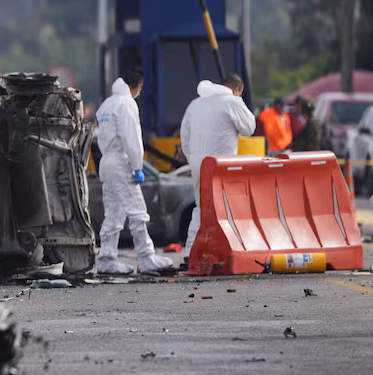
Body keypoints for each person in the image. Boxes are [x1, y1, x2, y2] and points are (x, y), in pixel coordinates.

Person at [94, 70, 173, 276]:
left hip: (106, 162)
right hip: (121, 162)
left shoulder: (106, 105)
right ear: (137, 86)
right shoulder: (126, 104)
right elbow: (132, 138)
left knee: (113, 214)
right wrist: (137, 166)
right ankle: (146, 257)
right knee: (137, 211)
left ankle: (106, 259)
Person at [180, 73, 256, 256]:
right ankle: (226, 252)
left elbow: (184, 136)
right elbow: (249, 129)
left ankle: (191, 253)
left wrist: (192, 158)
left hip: (198, 164)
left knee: (201, 207)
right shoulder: (233, 102)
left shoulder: (195, 104)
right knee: (226, 207)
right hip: (222, 165)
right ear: (237, 90)